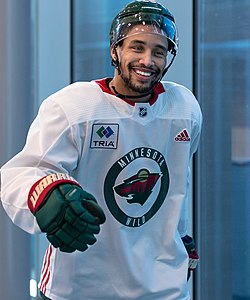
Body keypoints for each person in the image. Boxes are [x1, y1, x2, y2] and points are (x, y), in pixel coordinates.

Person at [0, 1, 202, 299]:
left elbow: (176, 182)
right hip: (81, 288)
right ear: (114, 50)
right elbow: (21, 173)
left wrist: (180, 235)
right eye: (137, 47)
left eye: (158, 51)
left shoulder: (184, 108)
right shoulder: (74, 107)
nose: (147, 60)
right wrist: (45, 193)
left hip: (163, 289)